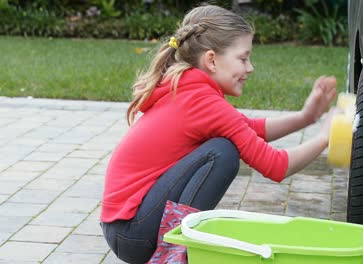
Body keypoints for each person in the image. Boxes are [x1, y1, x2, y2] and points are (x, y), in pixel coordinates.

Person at [100, 4, 338, 264]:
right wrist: (326, 137)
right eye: (243, 58)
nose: (250, 68)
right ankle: (174, 254)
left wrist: (307, 117)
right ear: (212, 60)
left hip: (125, 230)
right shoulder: (200, 99)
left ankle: (176, 247)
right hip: (133, 234)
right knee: (223, 153)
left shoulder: (190, 88)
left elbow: (249, 129)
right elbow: (276, 166)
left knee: (224, 146)